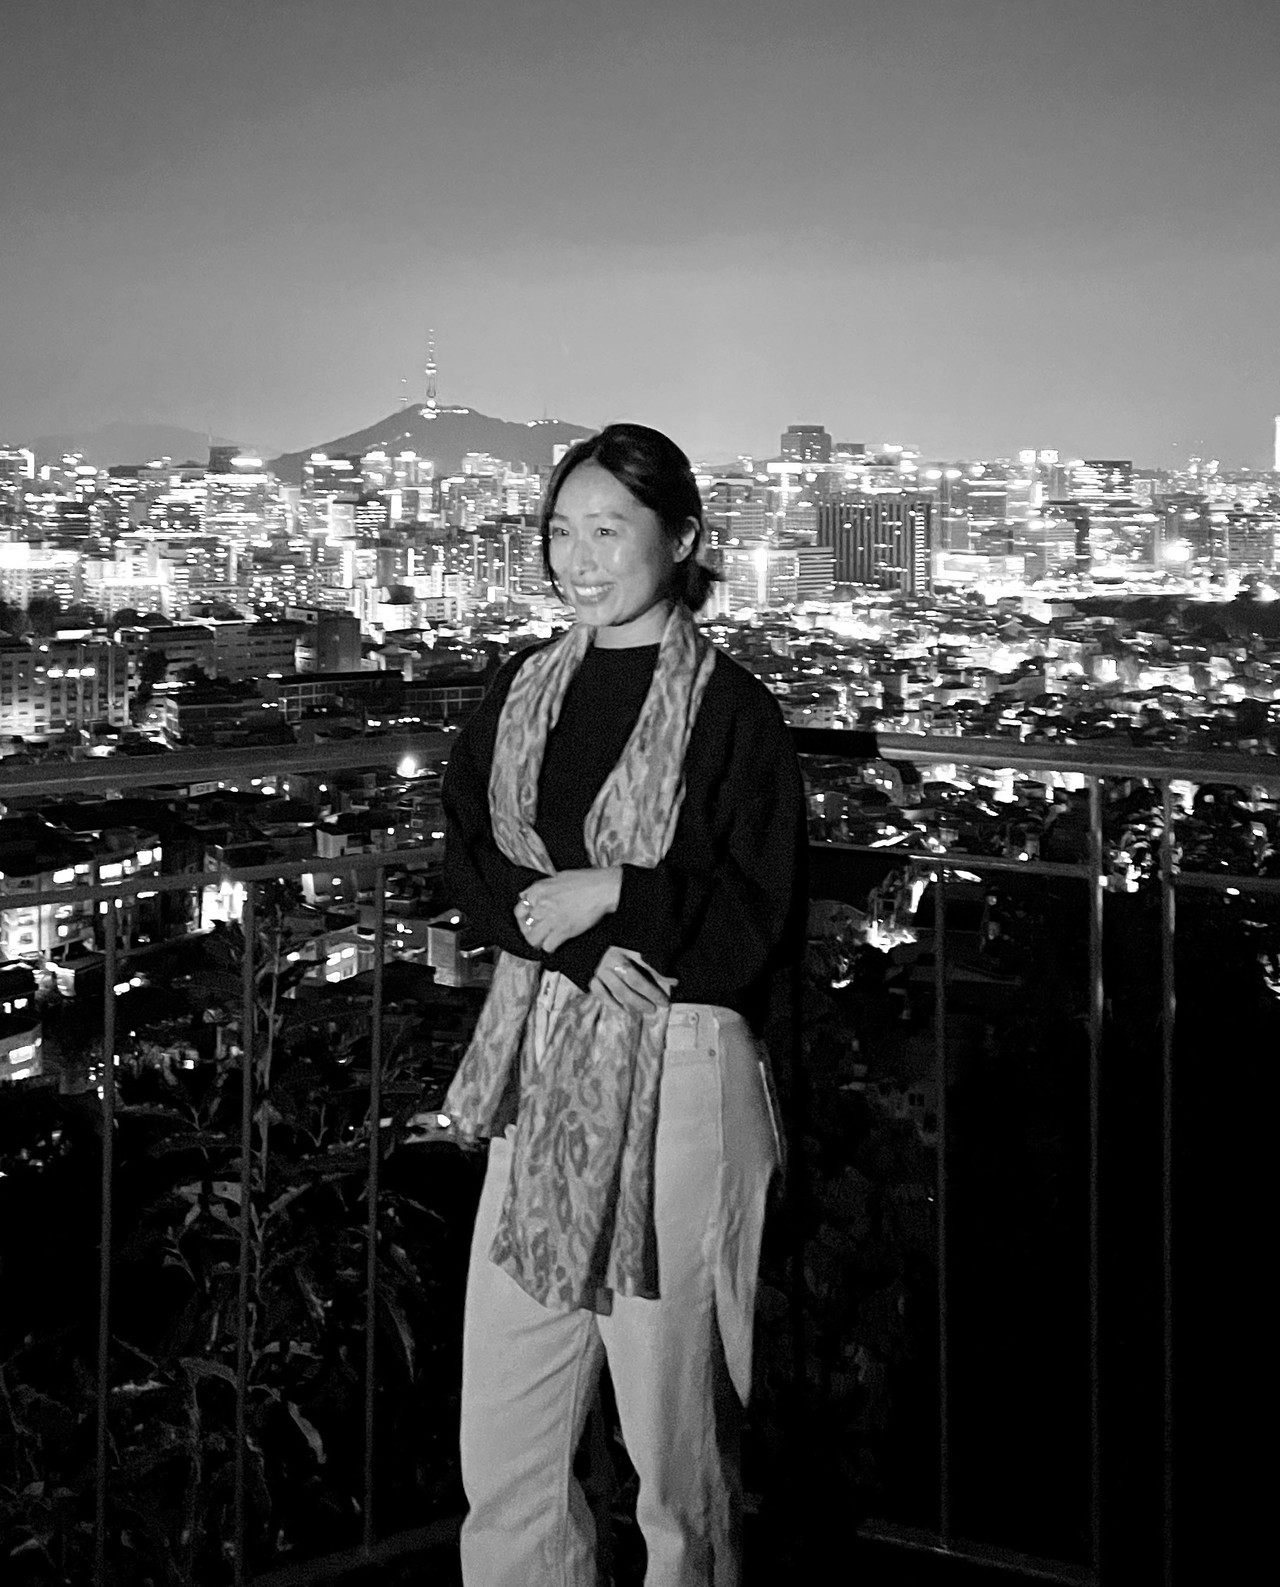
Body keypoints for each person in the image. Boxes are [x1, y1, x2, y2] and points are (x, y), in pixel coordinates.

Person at [440, 422, 807, 1586]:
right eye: (561, 531)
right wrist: (578, 948)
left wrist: (618, 894)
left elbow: (753, 919)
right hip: (541, 1065)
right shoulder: (520, 689)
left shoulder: (733, 712)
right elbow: (472, 860)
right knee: (505, 1437)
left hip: (679, 1074)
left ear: (681, 539)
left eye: (608, 530)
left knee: (674, 1455)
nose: (578, 559)